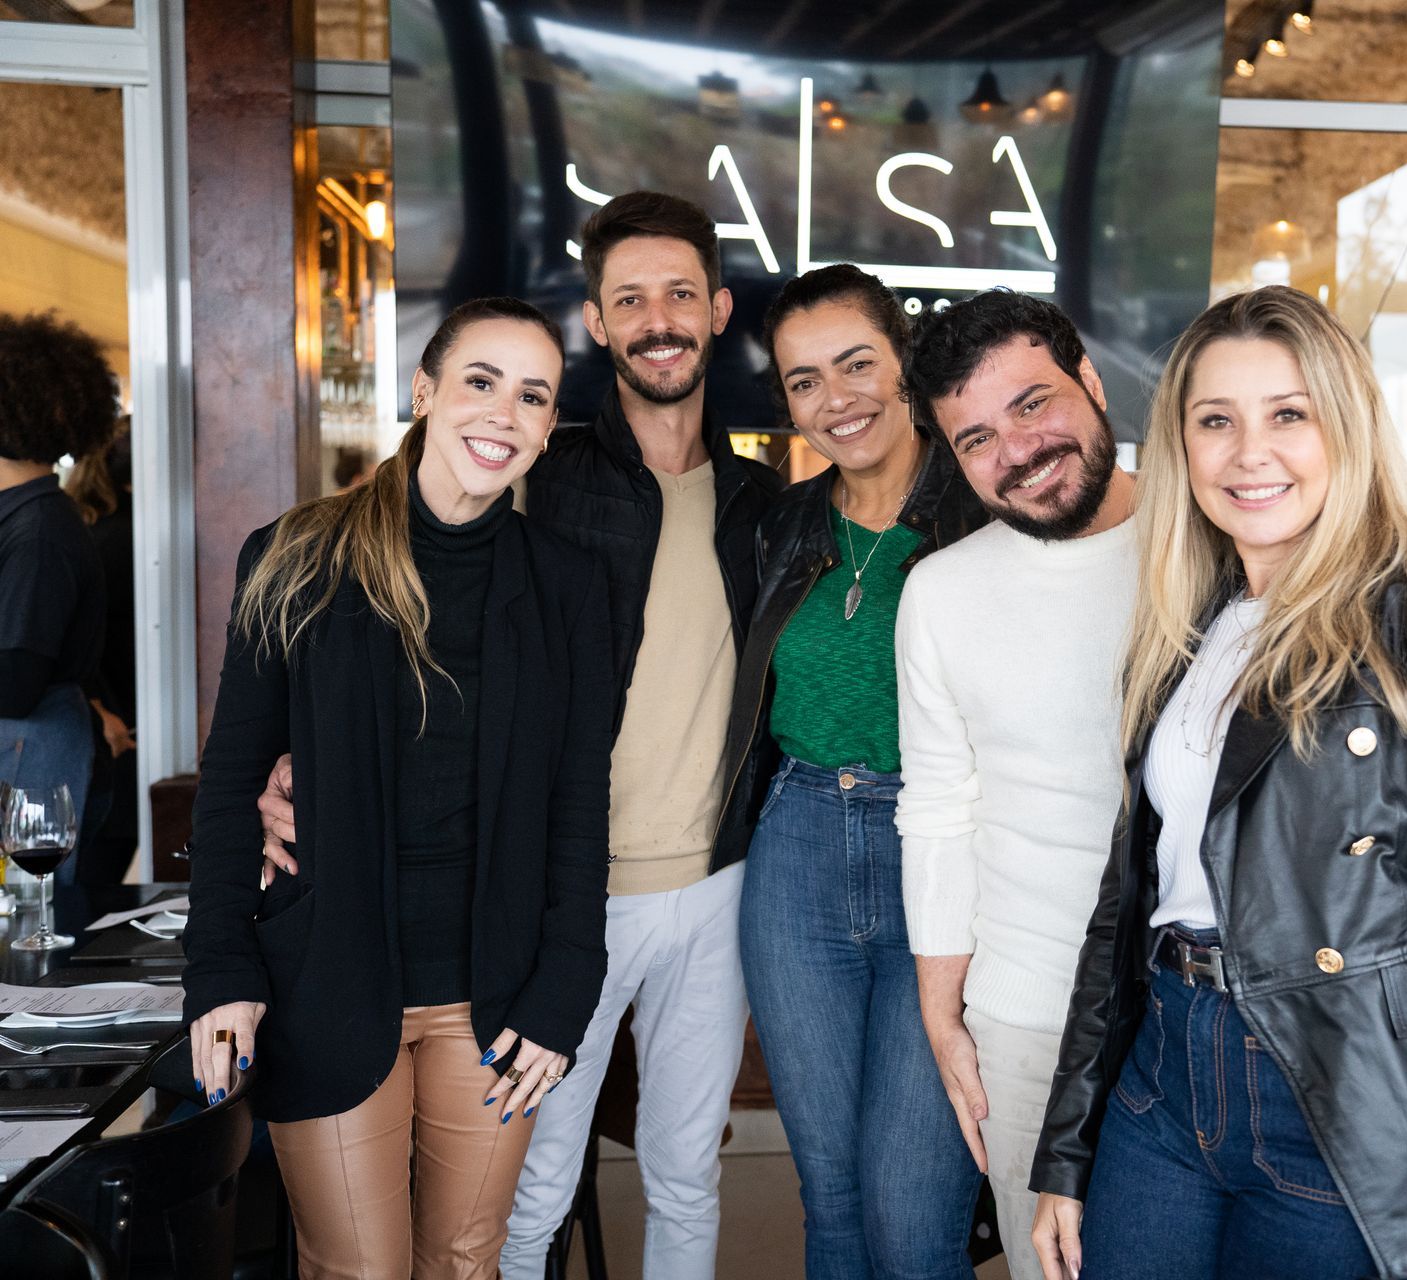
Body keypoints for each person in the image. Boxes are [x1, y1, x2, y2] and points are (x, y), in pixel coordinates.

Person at [895, 289, 1407, 1280]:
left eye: (1287, 413)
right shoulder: (1199, 608)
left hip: (1332, 1080)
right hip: (1164, 1068)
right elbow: (1128, 894)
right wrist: (1065, 1150)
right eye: (1216, 419)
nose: (1248, 451)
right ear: (1182, 440)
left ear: (1346, 423)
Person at [266, 192, 785, 1280]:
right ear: (598, 320)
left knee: (689, 1172)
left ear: (719, 310)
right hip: (562, 894)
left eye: (681, 293)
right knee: (530, 1184)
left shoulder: (760, 501)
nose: (658, 317)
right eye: (630, 297)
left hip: (717, 884)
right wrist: (294, 759)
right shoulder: (536, 473)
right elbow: (387, 588)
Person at [183, 296, 614, 1280]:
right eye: (480, 381)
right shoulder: (294, 557)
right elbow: (229, 789)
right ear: (424, 391)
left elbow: (578, 805)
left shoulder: (568, 584)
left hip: (497, 999)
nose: (503, 414)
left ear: (551, 425)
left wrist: (565, 991)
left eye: (533, 395)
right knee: (356, 1269)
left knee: (465, 1260)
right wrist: (222, 973)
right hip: (327, 977)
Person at [714, 263, 989, 1279]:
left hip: (944, 862)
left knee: (915, 1217)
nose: (838, 398)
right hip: (794, 856)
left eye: (857, 362)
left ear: (904, 359)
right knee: (828, 1197)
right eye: (803, 380)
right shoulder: (779, 524)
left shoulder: (986, 512)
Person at [0, 312, 114, 882]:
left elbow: (17, 680)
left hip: (31, 754)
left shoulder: (39, 532)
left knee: (32, 927)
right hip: (33, 745)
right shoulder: (29, 520)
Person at [68, 418, 139, 886]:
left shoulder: (87, 527)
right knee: (96, 872)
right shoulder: (130, 536)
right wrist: (101, 708)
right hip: (117, 720)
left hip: (102, 713)